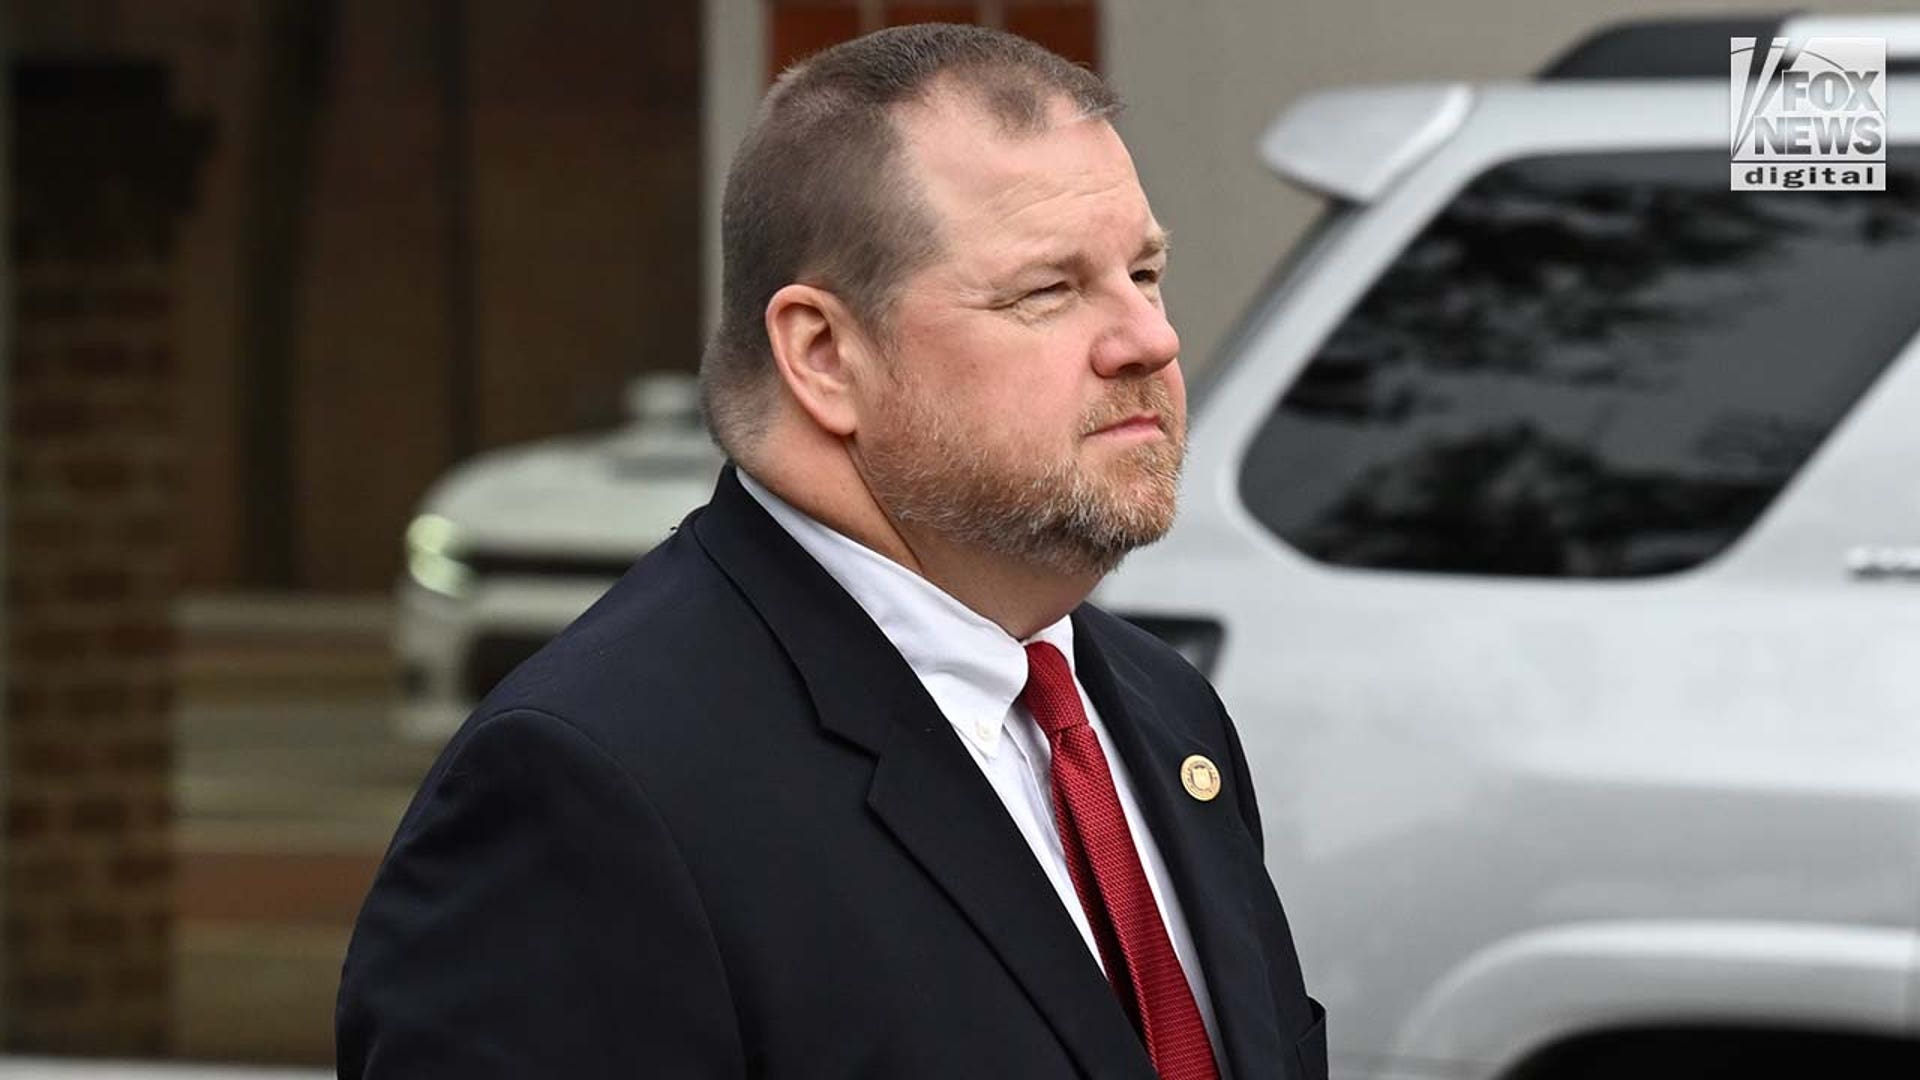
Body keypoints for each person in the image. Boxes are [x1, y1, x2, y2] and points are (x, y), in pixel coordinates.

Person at [337, 23, 1325, 1080]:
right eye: (1048, 291)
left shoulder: (1159, 709)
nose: (1149, 339)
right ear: (823, 354)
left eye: (1144, 272)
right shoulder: (592, 790)